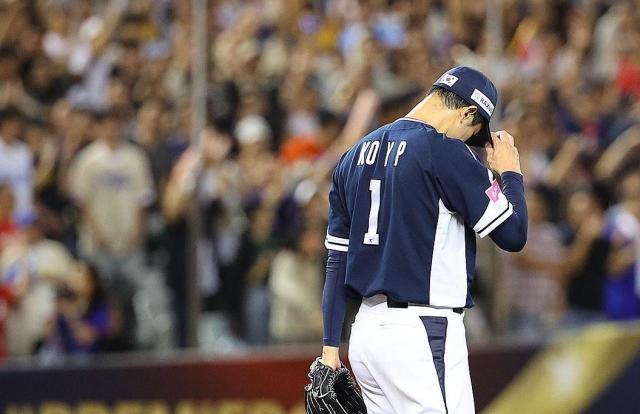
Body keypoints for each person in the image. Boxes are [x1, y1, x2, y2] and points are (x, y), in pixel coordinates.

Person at [318, 66, 528, 413]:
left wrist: (329, 348)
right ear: (468, 113)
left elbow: (336, 261)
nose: (468, 143)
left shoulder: (353, 156)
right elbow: (513, 233)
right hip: (421, 332)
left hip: (366, 335)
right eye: (473, 132)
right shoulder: (443, 151)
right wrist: (511, 173)